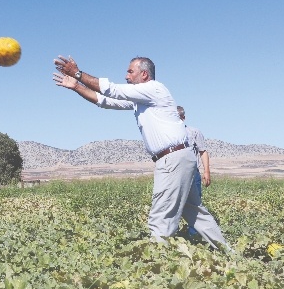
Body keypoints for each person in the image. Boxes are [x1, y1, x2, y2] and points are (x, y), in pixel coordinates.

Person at [52, 55, 228, 249]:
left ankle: (159, 266)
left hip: (172, 159)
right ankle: (228, 254)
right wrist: (77, 86)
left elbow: (112, 89)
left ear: (144, 74)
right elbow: (105, 101)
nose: (126, 76)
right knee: (195, 211)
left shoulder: (154, 89)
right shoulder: (141, 100)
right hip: (180, 158)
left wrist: (77, 73)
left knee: (160, 217)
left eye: (130, 71)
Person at [178, 106, 210, 237]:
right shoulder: (166, 135)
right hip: (174, 174)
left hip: (192, 173)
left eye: (178, 118)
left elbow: (203, 151)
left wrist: (206, 171)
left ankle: (194, 235)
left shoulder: (193, 132)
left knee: (194, 203)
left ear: (183, 118)